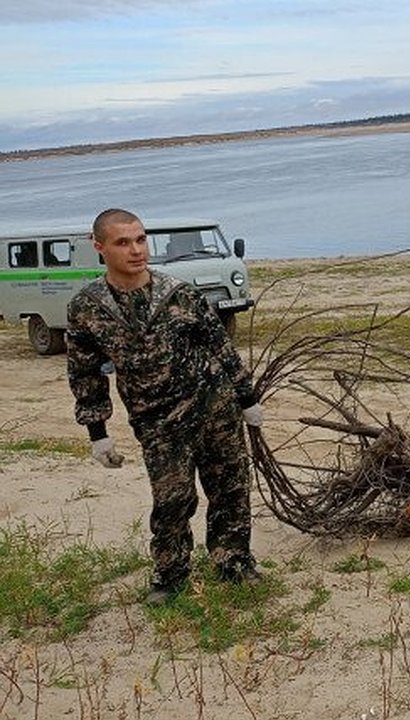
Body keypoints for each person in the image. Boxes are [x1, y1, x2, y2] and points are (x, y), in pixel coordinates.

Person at [66, 208, 265, 606]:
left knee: (230, 490)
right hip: (157, 422)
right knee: (173, 500)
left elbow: (220, 347)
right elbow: (85, 374)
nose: (137, 250)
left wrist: (247, 398)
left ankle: (234, 563)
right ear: (99, 247)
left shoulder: (179, 293)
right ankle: (170, 575)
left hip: (215, 409)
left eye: (141, 239)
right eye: (123, 242)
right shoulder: (87, 308)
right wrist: (98, 435)